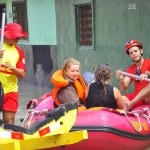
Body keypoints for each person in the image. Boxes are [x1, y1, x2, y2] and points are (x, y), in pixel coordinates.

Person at [0, 23, 28, 124]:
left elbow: (22, 74)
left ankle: (10, 138)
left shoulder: (19, 52)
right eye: (15, 36)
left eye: (19, 36)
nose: (18, 38)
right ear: (6, 35)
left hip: (11, 90)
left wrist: (13, 68)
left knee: (9, 122)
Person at [116, 40, 150, 109]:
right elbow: (123, 88)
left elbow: (148, 72)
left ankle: (132, 103)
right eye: (131, 53)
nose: (134, 54)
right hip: (137, 97)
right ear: (130, 56)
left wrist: (146, 75)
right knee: (120, 99)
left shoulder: (149, 62)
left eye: (135, 51)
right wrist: (121, 79)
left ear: (141, 51)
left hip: (148, 97)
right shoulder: (131, 69)